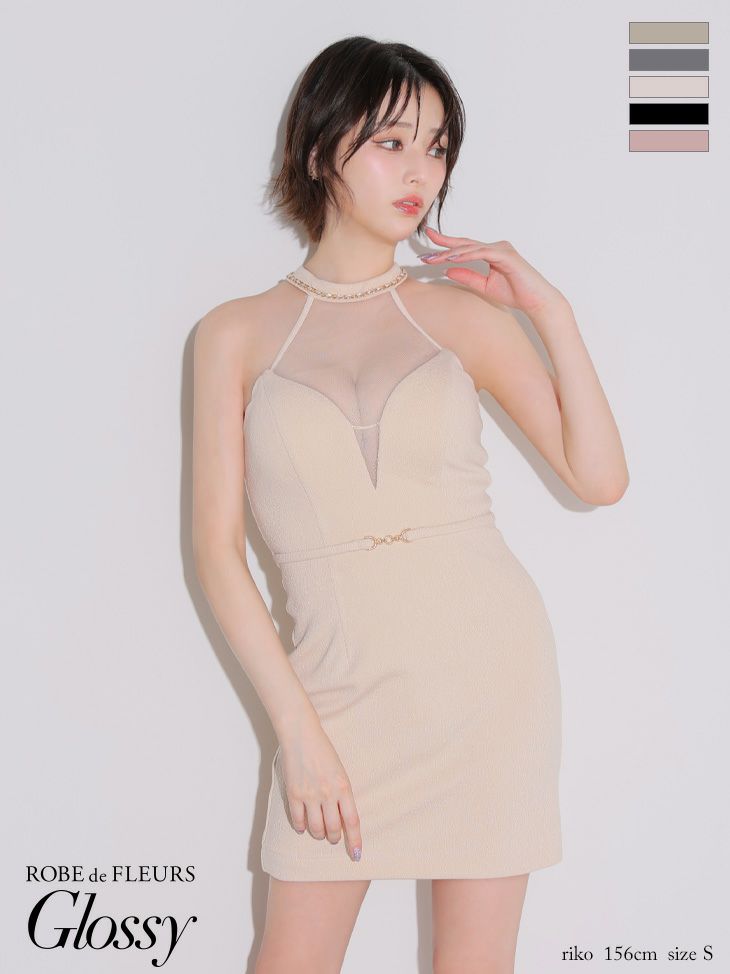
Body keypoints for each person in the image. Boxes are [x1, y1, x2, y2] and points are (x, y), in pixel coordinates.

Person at [192, 35, 629, 974]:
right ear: (321, 149)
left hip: (489, 685)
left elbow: (598, 479)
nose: (421, 172)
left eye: (437, 147)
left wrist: (549, 311)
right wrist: (296, 733)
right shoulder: (233, 335)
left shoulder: (462, 316)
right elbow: (216, 554)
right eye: (392, 142)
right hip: (335, 697)